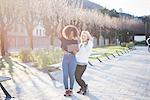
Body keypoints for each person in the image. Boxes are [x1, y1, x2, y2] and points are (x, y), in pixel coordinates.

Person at [60, 25, 79, 96]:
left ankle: (71, 90)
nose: (72, 34)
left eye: (73, 33)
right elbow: (62, 48)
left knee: (71, 75)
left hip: (72, 58)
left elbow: (77, 51)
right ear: (67, 32)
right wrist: (64, 51)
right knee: (65, 75)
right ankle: (66, 90)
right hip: (65, 58)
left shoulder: (75, 40)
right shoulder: (64, 40)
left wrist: (74, 51)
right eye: (70, 33)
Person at [75, 31, 93, 95]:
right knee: (77, 77)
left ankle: (84, 87)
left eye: (84, 35)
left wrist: (78, 50)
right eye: (82, 36)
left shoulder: (89, 43)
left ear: (87, 37)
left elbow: (86, 53)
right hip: (78, 63)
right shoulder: (81, 44)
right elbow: (78, 54)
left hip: (83, 64)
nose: (83, 37)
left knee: (78, 77)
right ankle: (83, 87)